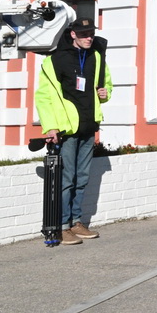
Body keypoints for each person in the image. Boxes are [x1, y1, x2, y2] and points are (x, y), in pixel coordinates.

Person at [34, 17, 111, 246]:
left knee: (82, 177)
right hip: (66, 129)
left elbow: (106, 84)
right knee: (66, 179)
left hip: (88, 125)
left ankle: (77, 222)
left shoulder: (96, 56)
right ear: (73, 34)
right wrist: (50, 126)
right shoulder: (55, 60)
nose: (89, 38)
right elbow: (44, 97)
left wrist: (106, 93)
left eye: (91, 34)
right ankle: (62, 226)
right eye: (84, 34)